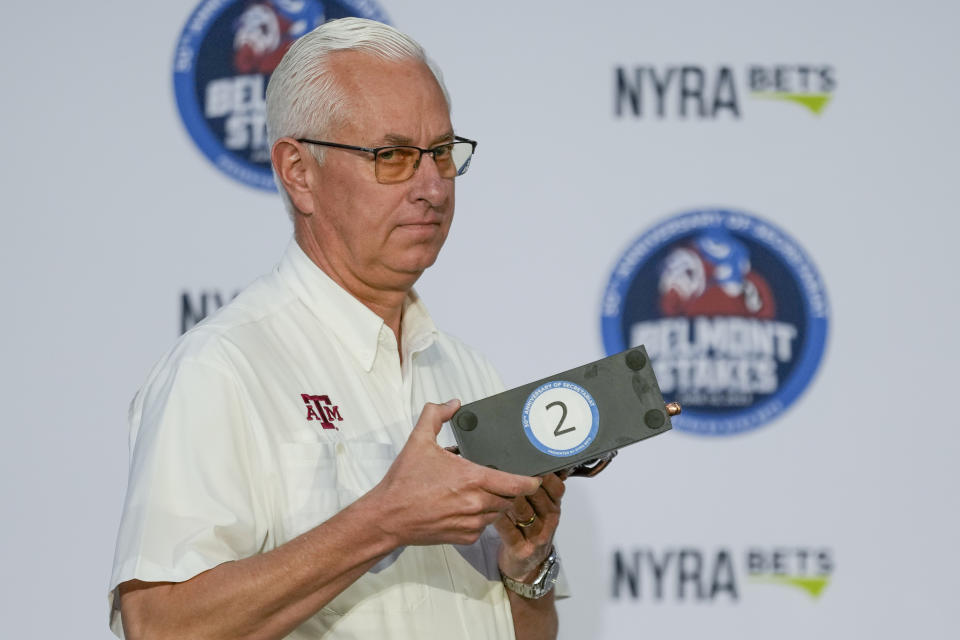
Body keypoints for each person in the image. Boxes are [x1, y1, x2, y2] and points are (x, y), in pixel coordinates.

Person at [109, 17, 567, 640]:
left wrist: (525, 569)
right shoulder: (223, 368)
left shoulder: (468, 373)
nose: (432, 187)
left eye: (441, 153)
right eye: (394, 156)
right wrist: (384, 519)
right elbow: (158, 626)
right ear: (299, 171)